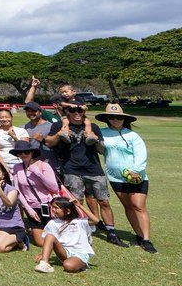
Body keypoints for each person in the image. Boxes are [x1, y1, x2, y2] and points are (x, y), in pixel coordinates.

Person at [45, 99, 128, 247]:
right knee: (77, 202)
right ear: (67, 112)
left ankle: (111, 232)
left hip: (93, 169)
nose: (77, 113)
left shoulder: (93, 126)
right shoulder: (59, 125)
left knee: (104, 201)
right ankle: (78, 230)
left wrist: (95, 139)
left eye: (80, 111)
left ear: (84, 112)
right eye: (72, 111)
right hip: (71, 170)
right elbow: (49, 142)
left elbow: (102, 151)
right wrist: (61, 133)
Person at [96, 103, 155, 253]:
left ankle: (147, 240)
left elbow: (141, 153)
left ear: (124, 119)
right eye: (111, 117)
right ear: (107, 119)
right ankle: (139, 235)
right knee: (128, 206)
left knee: (138, 205)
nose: (115, 120)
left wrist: (136, 170)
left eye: (118, 118)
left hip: (136, 176)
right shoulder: (101, 133)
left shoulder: (132, 135)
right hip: (115, 177)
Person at [34, 195, 99, 274]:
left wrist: (80, 206)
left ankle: (81, 263)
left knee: (68, 266)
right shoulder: (52, 223)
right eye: (52, 207)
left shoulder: (80, 222)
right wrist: (43, 254)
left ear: (68, 211)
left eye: (56, 208)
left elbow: (96, 220)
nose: (53, 210)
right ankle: (44, 264)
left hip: (80, 253)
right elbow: (48, 241)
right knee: (49, 236)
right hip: (64, 252)